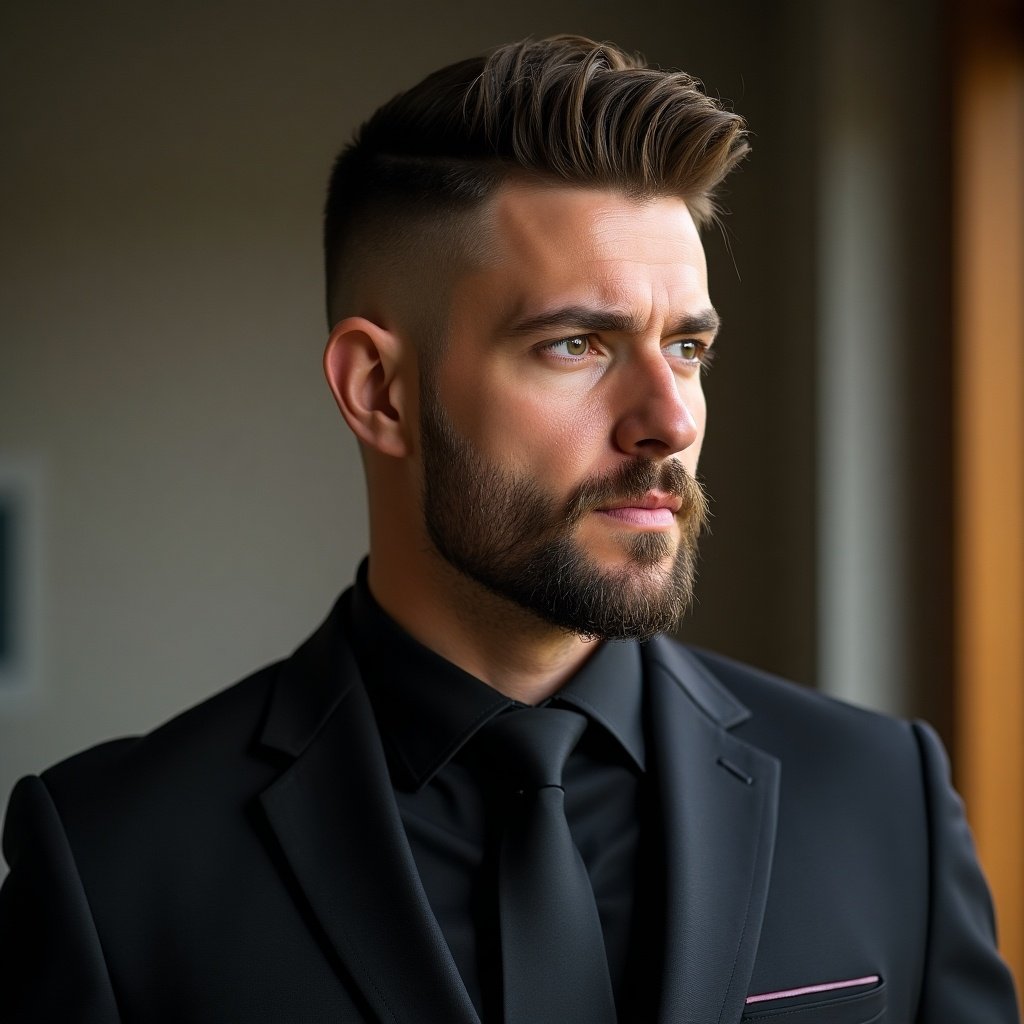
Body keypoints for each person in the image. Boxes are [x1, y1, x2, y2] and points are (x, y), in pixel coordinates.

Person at [0, 34, 1017, 1024]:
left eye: (687, 346)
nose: (670, 417)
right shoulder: (113, 860)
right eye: (576, 343)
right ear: (380, 391)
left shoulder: (884, 801)